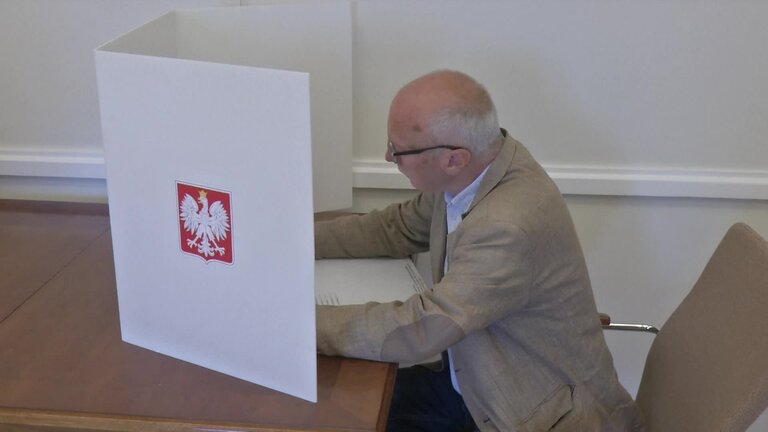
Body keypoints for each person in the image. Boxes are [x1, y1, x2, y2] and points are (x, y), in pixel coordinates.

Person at [314, 70, 644, 432]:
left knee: (338, 413)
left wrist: (301, 325)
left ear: (453, 158)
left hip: (522, 416)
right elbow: (397, 228)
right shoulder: (480, 168)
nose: (388, 156)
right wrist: (297, 241)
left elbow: (425, 326)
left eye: (398, 150)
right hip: (473, 381)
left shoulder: (505, 225)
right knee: (334, 411)